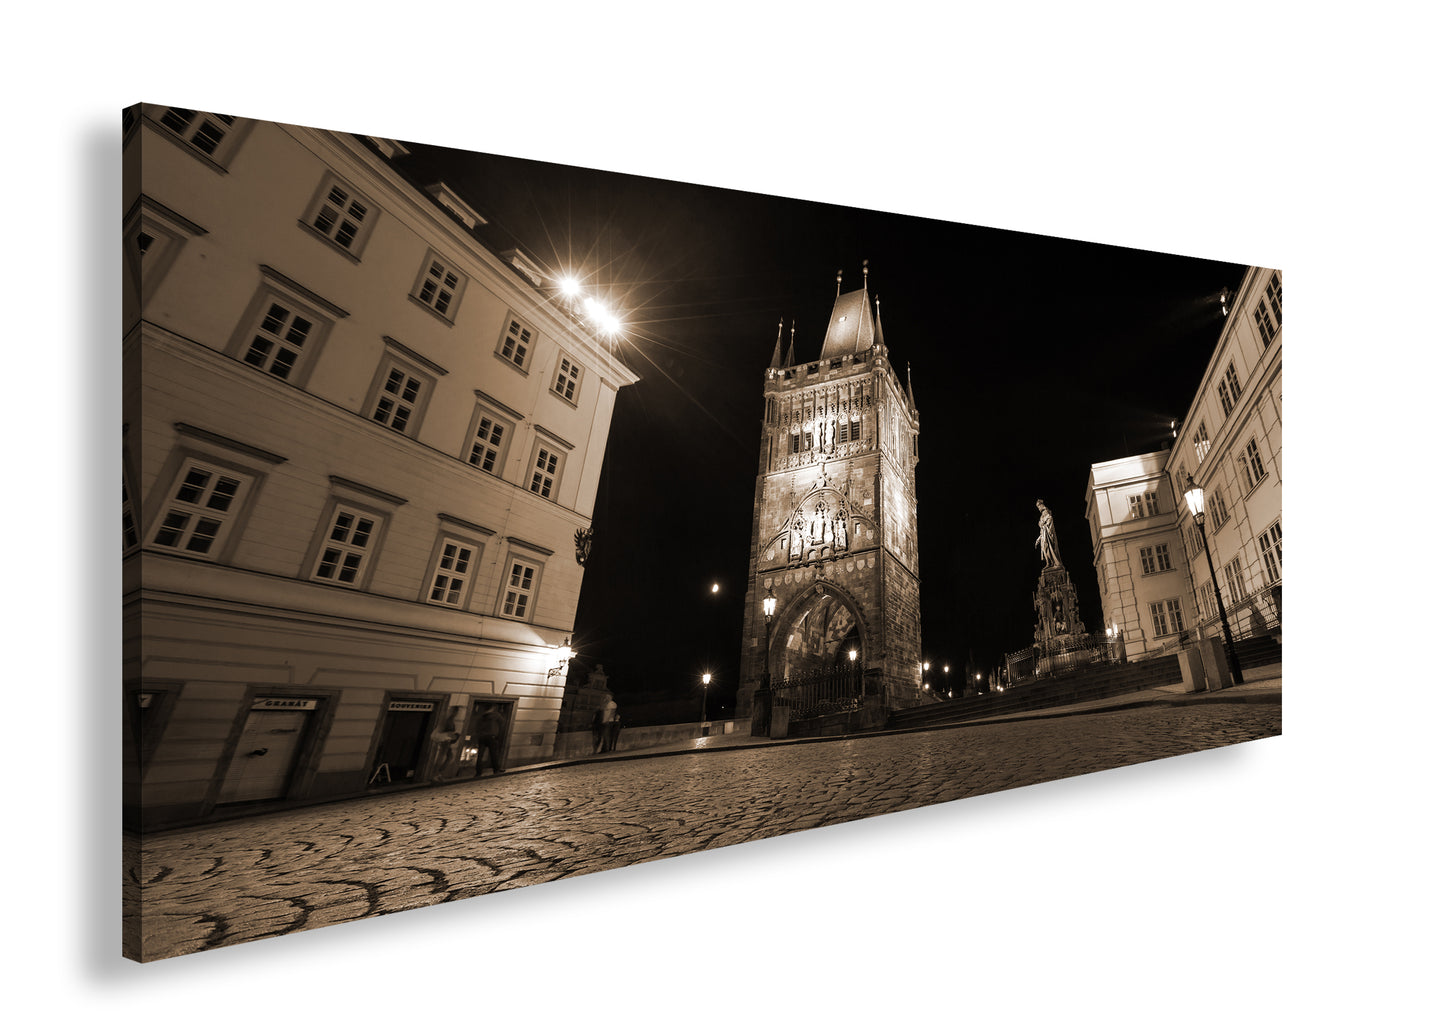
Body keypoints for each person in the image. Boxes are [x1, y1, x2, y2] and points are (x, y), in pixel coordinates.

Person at [473, 704, 506, 776]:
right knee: (493, 754)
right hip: (491, 736)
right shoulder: (496, 715)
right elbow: (502, 722)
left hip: (482, 737)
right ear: (492, 707)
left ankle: (478, 772)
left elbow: (477, 727)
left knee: (480, 755)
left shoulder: (481, 716)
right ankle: (496, 769)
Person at [1035, 499, 1063, 569]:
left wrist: (1044, 525)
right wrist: (1038, 539)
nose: (1038, 508)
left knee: (1047, 548)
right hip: (1043, 534)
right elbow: (1041, 530)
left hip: (1047, 534)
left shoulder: (1046, 512)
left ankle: (1052, 563)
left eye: (1039, 507)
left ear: (1041, 505)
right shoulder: (1041, 516)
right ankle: (1048, 563)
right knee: (1044, 549)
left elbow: (1049, 519)